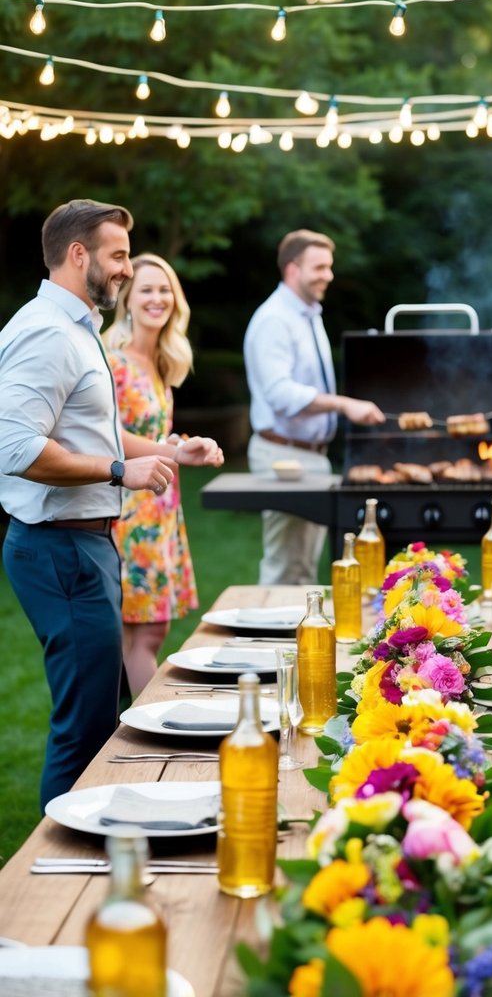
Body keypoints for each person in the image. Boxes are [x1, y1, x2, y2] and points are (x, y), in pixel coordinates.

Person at [0, 199, 223, 810]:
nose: (125, 269)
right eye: (118, 255)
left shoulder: (78, 329)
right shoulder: (47, 333)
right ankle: (57, 879)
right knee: (85, 729)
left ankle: (93, 854)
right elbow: (16, 448)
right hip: (59, 548)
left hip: (86, 544)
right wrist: (122, 472)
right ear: (79, 255)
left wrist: (172, 453)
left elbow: (96, 434)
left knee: (98, 716)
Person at [244, 229, 385, 584]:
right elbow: (281, 394)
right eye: (320, 267)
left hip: (310, 457)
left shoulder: (308, 315)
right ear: (293, 268)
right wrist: (343, 405)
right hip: (284, 456)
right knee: (284, 568)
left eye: (329, 267)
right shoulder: (275, 319)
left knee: (303, 570)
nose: (329, 275)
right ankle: (264, 641)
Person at [104, 253, 207, 695]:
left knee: (150, 632)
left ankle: (127, 735)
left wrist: (182, 445)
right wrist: (173, 451)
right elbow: (106, 434)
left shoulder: (160, 362)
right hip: (130, 511)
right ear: (127, 298)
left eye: (164, 289)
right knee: (142, 636)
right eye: (146, 289)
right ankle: (148, 737)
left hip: (160, 508)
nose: (157, 298)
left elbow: (151, 432)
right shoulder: (115, 361)